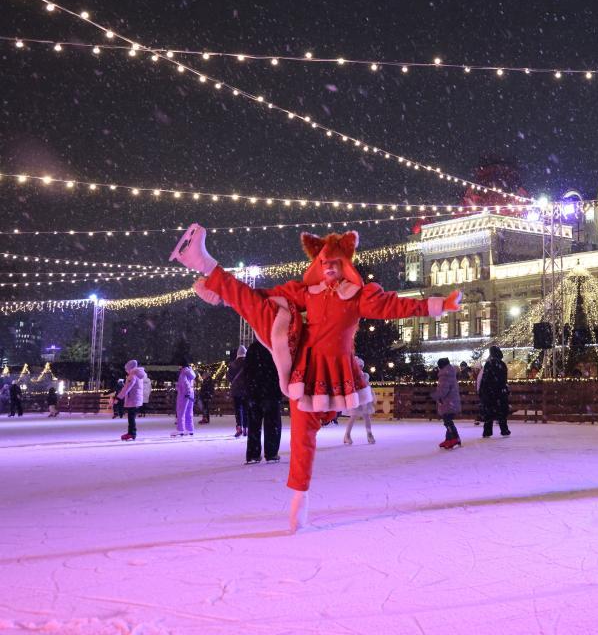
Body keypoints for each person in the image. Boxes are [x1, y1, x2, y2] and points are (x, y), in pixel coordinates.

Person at [172, 224, 460, 532]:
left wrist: (438, 305)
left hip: (335, 376)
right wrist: (223, 294)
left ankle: (208, 268)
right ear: (317, 267)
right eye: (323, 263)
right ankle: (204, 262)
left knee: (305, 431)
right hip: (304, 371)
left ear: (345, 265)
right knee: (300, 432)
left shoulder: (357, 297)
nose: (328, 269)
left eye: (334, 263)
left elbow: (394, 304)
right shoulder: (306, 293)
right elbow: (261, 296)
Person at [244, 340, 283, 464]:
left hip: (254, 393)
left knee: (254, 425)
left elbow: (247, 372)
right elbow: (280, 370)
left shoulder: (252, 349)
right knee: (272, 424)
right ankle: (271, 453)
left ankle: (253, 454)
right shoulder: (273, 347)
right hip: (271, 391)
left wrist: (250, 389)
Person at [430, 357, 463, 449]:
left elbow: (443, 391)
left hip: (448, 402)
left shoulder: (445, 375)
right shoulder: (450, 373)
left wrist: (433, 396)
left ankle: (455, 438)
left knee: (448, 422)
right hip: (451, 401)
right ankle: (449, 439)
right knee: (448, 421)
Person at [479, 345, 511, 438]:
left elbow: (485, 379)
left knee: (489, 412)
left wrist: (482, 390)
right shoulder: (502, 364)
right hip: (501, 391)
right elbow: (504, 379)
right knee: (501, 411)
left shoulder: (489, 364)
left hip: (490, 391)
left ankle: (487, 431)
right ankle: (504, 429)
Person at [343, 356, 376, 446]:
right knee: (353, 416)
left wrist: (372, 396)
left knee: (366, 416)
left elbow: (368, 386)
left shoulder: (365, 376)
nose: (360, 367)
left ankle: (369, 434)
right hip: (355, 398)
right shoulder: (351, 376)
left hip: (364, 398)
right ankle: (347, 435)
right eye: (359, 366)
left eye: (361, 366)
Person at [116, 360, 146, 440]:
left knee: (131, 417)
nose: (126, 371)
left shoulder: (132, 375)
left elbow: (127, 388)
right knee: (131, 417)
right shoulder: (138, 375)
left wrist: (118, 397)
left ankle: (132, 433)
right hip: (136, 399)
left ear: (130, 368)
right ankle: (131, 432)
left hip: (133, 399)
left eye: (126, 369)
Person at [229, 345, 249, 437]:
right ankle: (246, 428)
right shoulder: (249, 363)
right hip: (246, 391)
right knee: (246, 410)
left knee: (238, 410)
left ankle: (239, 427)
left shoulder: (233, 364)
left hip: (236, 391)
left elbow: (229, 377)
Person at [173, 364, 196, 437]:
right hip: (191, 394)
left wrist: (186, 392)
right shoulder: (190, 372)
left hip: (184, 395)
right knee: (189, 412)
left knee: (181, 412)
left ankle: (180, 429)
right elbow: (189, 384)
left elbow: (185, 384)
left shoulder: (183, 373)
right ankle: (190, 429)